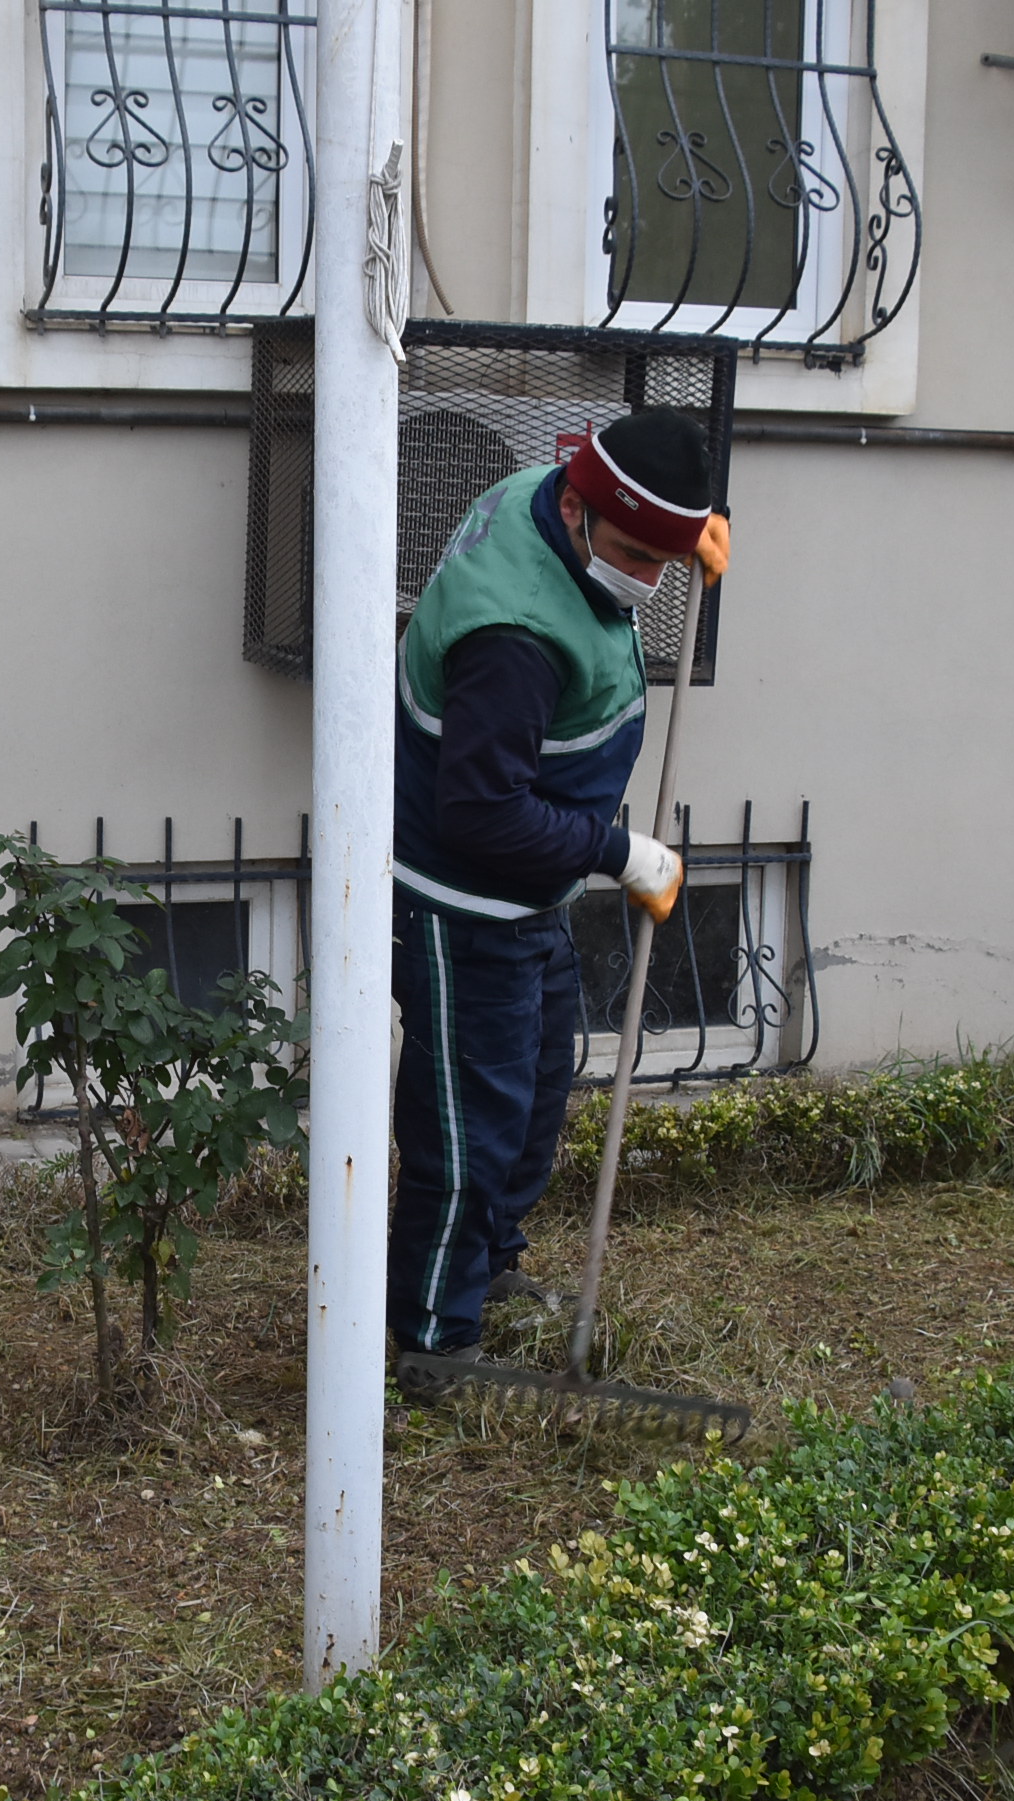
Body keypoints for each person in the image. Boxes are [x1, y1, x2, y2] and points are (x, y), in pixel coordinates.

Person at [389, 409, 730, 1374]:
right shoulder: (517, 639)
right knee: (468, 1132)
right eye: (635, 554)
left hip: (529, 896)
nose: (649, 579)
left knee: (535, 1098)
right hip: (464, 903)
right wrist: (618, 852)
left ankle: (488, 1269)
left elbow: (652, 486)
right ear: (577, 510)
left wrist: (690, 521)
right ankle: (432, 1344)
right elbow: (481, 817)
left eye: (668, 558)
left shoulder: (549, 491)